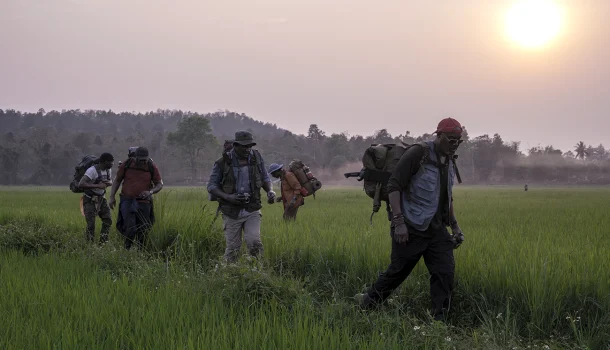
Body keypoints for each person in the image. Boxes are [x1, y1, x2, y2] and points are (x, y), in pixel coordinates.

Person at [359, 117, 466, 322]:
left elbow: (447, 197)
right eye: (451, 139)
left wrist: (455, 226)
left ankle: (439, 322)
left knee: (444, 274)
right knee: (397, 273)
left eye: (458, 140)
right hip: (411, 227)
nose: (454, 144)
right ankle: (365, 308)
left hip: (436, 230)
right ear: (439, 135)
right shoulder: (419, 153)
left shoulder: (450, 160)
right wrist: (398, 223)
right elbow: (394, 186)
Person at [207, 131, 277, 263]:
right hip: (231, 211)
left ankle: (257, 272)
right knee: (233, 248)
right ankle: (228, 275)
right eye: (244, 146)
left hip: (252, 208)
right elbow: (211, 186)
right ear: (235, 145)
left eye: (249, 146)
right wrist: (229, 197)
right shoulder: (222, 162)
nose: (247, 149)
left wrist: (270, 191)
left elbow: (265, 177)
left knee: (254, 242)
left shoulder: (256, 157)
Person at [109, 147, 163, 250]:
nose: (142, 162)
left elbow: (159, 184)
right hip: (127, 200)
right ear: (135, 157)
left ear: (148, 158)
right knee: (130, 228)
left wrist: (150, 192)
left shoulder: (151, 166)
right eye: (140, 159)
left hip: (144, 202)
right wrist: (112, 197)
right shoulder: (127, 164)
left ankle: (140, 252)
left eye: (144, 160)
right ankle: (126, 250)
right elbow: (117, 180)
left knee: (143, 229)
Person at [78, 152, 115, 244]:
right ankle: (89, 245)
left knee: (108, 220)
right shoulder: (92, 170)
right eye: (111, 162)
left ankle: (102, 243)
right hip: (89, 199)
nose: (112, 164)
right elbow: (81, 184)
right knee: (91, 225)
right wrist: (98, 186)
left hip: (101, 198)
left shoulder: (108, 170)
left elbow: (110, 181)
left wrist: (107, 183)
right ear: (105, 162)